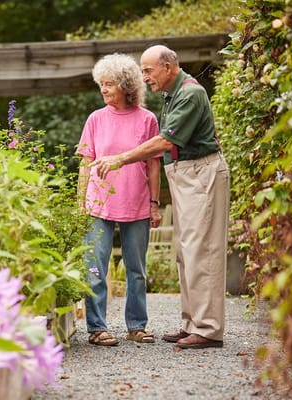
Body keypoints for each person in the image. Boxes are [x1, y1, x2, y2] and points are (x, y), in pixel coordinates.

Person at [91, 45, 230, 349]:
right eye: (142, 71)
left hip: (200, 173)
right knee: (186, 251)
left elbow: (165, 141)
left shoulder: (191, 94)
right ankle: (192, 323)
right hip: (187, 174)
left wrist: (119, 159)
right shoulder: (174, 95)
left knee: (202, 251)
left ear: (168, 67)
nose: (144, 77)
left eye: (148, 70)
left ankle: (207, 329)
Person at [77, 53, 161, 346]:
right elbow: (86, 162)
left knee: (136, 270)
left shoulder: (148, 120)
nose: (104, 89)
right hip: (98, 204)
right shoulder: (95, 119)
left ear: (126, 86)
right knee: (94, 268)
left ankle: (136, 326)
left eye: (109, 84)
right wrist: (80, 202)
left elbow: (153, 165)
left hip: (136, 202)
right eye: (101, 84)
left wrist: (154, 204)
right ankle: (96, 328)